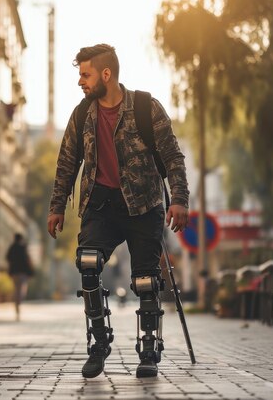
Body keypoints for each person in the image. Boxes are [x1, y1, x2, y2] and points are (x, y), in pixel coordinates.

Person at [47, 44, 189, 378]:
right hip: (101, 206)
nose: (81, 81)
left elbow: (172, 156)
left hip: (143, 205)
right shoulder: (83, 114)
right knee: (88, 264)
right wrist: (57, 206)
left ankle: (150, 348)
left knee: (145, 279)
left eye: (86, 74)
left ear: (105, 74)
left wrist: (179, 199)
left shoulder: (145, 107)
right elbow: (67, 162)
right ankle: (99, 343)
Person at [6, 233, 33, 320]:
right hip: (22, 273)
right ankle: (18, 303)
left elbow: (7, 258)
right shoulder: (23, 248)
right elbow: (28, 260)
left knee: (17, 289)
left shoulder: (12, 248)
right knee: (22, 291)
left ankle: (17, 304)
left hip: (14, 272)